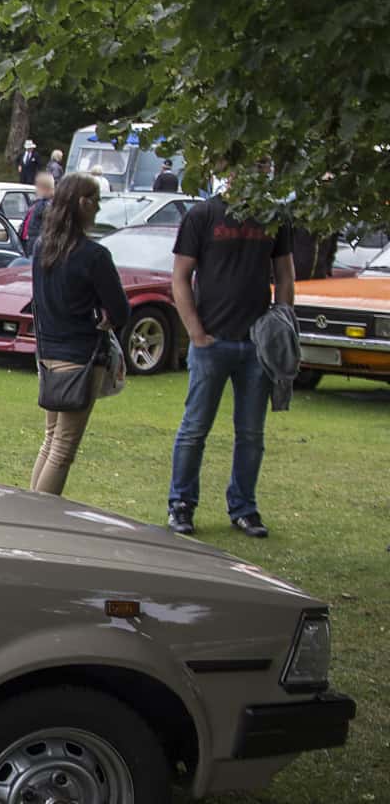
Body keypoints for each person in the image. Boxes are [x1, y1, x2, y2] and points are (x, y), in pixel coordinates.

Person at [166, 175, 295, 537]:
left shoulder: (274, 215)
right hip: (212, 342)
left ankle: (244, 508)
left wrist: (280, 324)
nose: (257, 171)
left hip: (257, 346)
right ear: (228, 170)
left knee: (251, 433)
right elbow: (180, 277)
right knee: (194, 429)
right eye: (248, 164)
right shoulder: (204, 215)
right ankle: (181, 504)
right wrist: (195, 332)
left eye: (264, 164)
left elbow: (285, 275)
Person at [27, 174, 129, 495]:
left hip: (47, 355)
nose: (99, 207)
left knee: (51, 439)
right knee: (63, 447)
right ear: (83, 203)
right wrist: (104, 315)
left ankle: (30, 510)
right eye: (96, 200)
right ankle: (40, 518)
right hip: (81, 358)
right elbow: (121, 310)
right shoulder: (94, 256)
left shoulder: (43, 247)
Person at [19, 171, 55, 253]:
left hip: (36, 242)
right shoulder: (36, 202)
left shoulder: (49, 204)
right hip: (27, 241)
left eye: (39, 186)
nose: (36, 189)